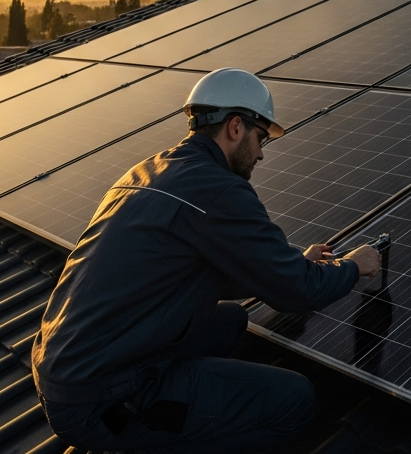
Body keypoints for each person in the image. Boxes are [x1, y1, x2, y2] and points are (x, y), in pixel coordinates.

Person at [32, 67, 381, 453]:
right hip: (100, 398)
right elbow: (297, 290)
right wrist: (351, 266)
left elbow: (204, 265)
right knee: (295, 399)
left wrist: (293, 261)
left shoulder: (148, 172)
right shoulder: (219, 191)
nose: (262, 152)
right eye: (260, 137)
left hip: (64, 366)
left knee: (231, 320)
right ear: (235, 127)